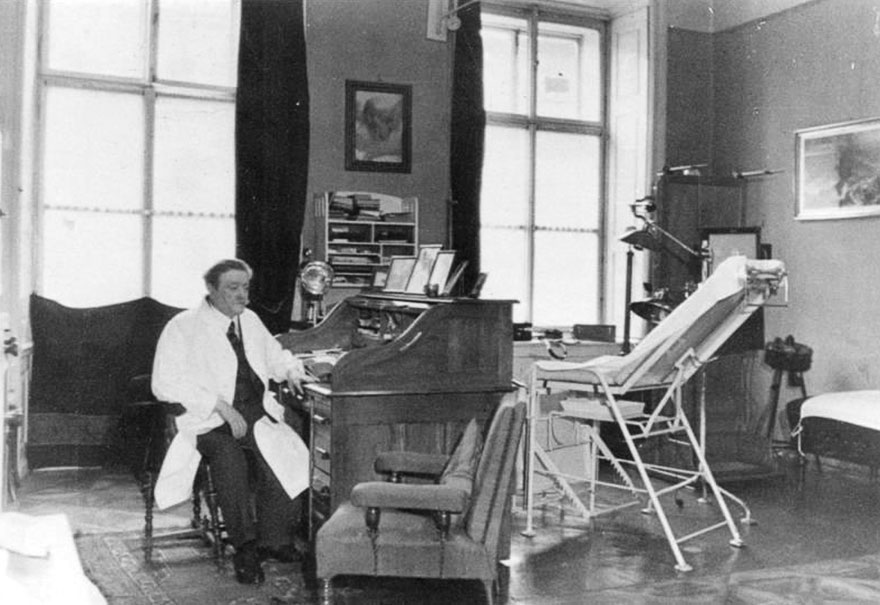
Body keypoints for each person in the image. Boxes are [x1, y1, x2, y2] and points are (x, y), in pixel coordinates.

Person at [151, 259, 311, 585]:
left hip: (253, 413)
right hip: (207, 419)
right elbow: (163, 383)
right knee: (230, 461)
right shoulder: (183, 326)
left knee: (286, 453)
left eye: (245, 287)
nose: (242, 295)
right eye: (232, 288)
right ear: (211, 290)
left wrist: (293, 371)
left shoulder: (249, 321)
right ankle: (246, 548)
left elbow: (276, 355)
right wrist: (218, 405)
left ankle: (274, 539)